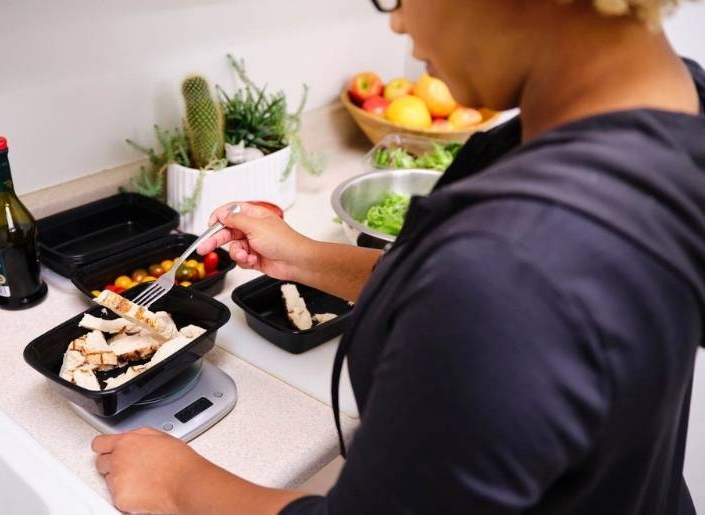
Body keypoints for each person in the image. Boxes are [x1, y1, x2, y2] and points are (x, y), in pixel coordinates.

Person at [91, 0, 705, 513]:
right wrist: (309, 260)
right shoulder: (675, 107)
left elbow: (506, 292)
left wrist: (180, 483)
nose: (398, 22)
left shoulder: (511, 270)